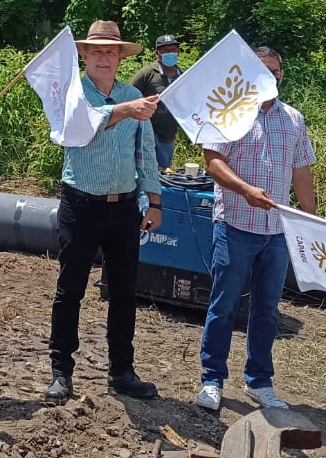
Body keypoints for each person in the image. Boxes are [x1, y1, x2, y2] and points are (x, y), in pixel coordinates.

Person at [46, 21, 163, 404]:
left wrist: (154, 200)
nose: (103, 57)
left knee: (125, 292)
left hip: (124, 206)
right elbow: (84, 128)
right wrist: (127, 109)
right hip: (81, 204)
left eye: (110, 51)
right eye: (95, 50)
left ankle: (121, 371)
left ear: (119, 57)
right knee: (70, 290)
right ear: (84, 54)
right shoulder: (73, 92)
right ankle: (61, 369)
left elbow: (146, 152)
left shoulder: (133, 95)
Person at [195, 46, 315, 413]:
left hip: (276, 232)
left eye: (276, 71)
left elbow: (302, 173)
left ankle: (259, 381)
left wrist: (310, 220)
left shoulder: (293, 119)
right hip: (235, 225)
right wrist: (245, 190)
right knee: (224, 305)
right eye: (263, 70)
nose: (271, 76)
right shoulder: (230, 112)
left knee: (267, 309)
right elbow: (213, 163)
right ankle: (212, 379)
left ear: (281, 75)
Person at [131, 35, 184, 171]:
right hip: (147, 132)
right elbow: (129, 97)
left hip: (168, 134)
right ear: (157, 53)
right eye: (166, 51)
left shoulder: (182, 75)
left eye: (173, 50)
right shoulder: (146, 74)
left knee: (164, 173)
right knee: (146, 171)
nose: (171, 53)